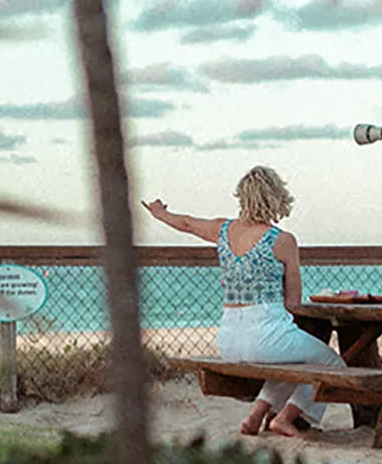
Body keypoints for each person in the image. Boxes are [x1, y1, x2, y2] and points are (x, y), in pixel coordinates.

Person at [143, 166, 342, 437]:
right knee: (331, 362)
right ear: (276, 197)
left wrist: (160, 212)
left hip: (228, 340)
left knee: (291, 363)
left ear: (243, 198)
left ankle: (255, 416)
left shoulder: (222, 231)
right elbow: (293, 302)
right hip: (265, 337)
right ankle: (285, 417)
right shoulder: (282, 240)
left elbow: (187, 223)